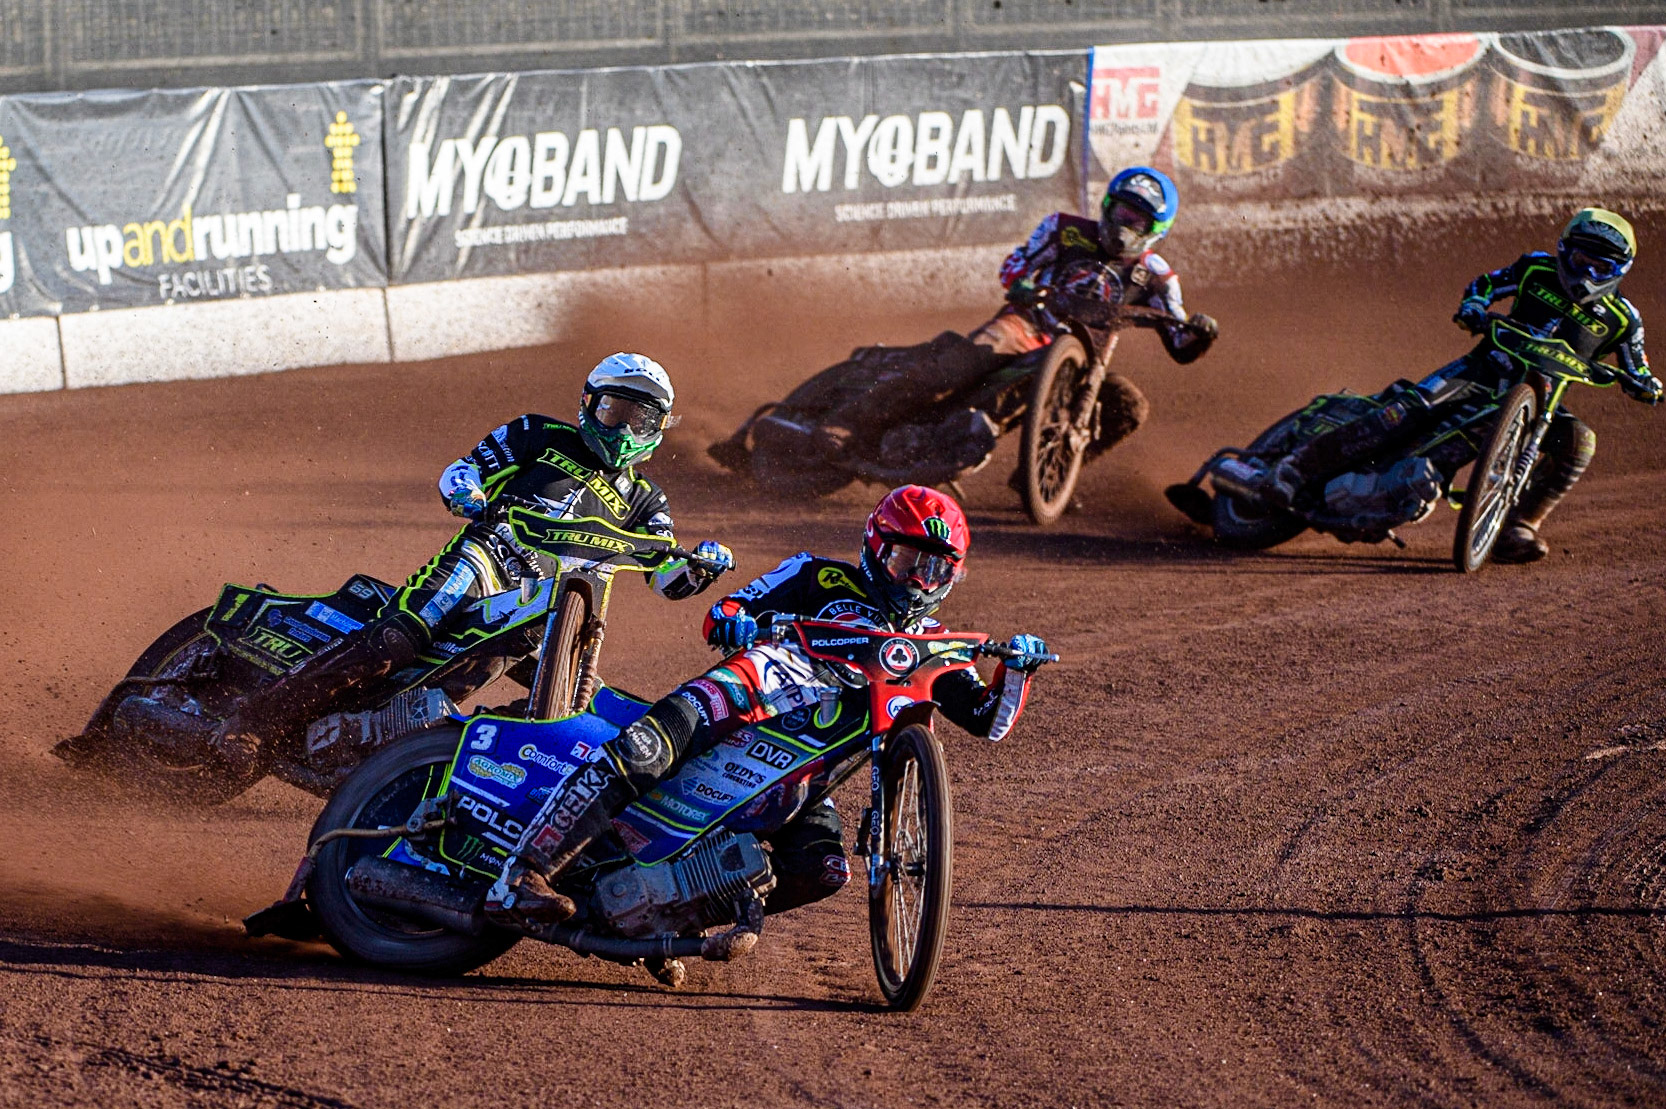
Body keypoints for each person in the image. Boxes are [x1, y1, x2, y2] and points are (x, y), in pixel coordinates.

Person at [484, 484, 1054, 927]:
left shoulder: (934, 646)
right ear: (877, 548)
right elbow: (728, 610)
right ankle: (524, 873)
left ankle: (673, 913)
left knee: (823, 867)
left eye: (937, 568)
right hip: (752, 689)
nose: (919, 580)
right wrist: (736, 622)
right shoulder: (817, 574)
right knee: (646, 748)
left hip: (801, 777)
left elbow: (987, 722)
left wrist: (1015, 669)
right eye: (909, 562)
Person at [213, 352, 733, 768]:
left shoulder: (648, 501)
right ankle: (252, 721)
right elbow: (462, 471)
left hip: (558, 609)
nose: (622, 431)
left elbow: (666, 578)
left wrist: (700, 567)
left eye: (638, 420)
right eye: (614, 412)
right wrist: (467, 492)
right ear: (589, 404)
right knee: (400, 638)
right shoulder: (539, 434)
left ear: (659, 428)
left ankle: (441, 758)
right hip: (487, 559)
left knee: (575, 711)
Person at [725, 166, 1218, 478]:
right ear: (1106, 207)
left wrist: (1199, 334)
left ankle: (1043, 476)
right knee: (952, 367)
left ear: (1154, 231)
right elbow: (1015, 263)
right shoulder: (1065, 229)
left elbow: (1179, 339)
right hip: (1026, 325)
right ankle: (843, 425)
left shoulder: (1158, 276)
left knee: (1128, 405)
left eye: (1136, 220)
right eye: (1119, 212)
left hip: (1081, 360)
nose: (1122, 225)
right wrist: (1023, 284)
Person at [1262, 208, 1663, 562]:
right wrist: (1473, 307)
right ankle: (1298, 468)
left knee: (1579, 442)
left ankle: (1519, 527)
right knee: (1408, 409)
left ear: (1620, 271)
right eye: (1580, 259)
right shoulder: (1535, 268)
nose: (1587, 273)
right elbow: (1486, 285)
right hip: (1482, 369)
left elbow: (1638, 366)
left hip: (1543, 399)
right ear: (1563, 250)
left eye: (1601, 268)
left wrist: (1645, 384)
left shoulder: (1624, 319)